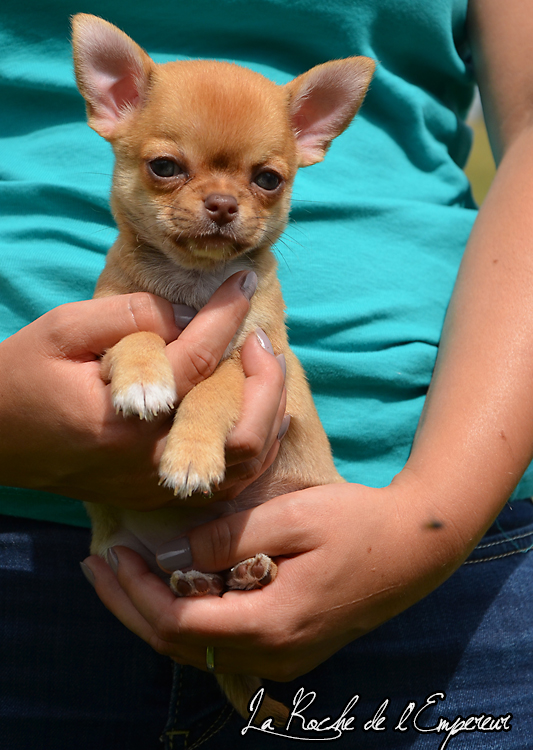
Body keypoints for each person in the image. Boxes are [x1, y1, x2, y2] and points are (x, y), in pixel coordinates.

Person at [2, 0, 533, 747]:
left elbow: (254, 378)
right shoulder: (126, 268)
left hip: (408, 554)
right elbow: (125, 350)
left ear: (311, 137)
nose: (219, 202)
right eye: (167, 170)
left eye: (263, 181)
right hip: (43, 563)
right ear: (111, 101)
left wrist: (426, 523)